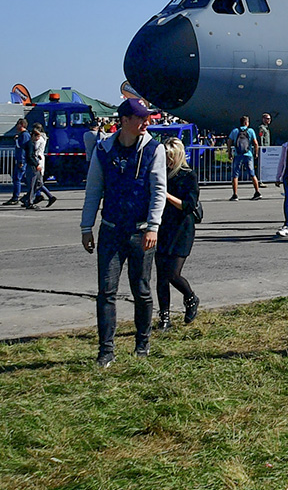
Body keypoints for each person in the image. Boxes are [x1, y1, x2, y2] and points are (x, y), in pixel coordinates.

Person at [80, 98, 167, 367]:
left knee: (141, 290)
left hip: (142, 232)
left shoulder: (154, 149)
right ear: (125, 120)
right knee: (106, 291)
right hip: (111, 231)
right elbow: (94, 190)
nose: (146, 122)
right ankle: (106, 350)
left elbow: (158, 191)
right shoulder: (103, 150)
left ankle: (143, 343)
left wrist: (153, 226)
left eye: (147, 118)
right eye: (140, 118)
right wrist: (86, 226)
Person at [155, 138, 200, 330]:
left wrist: (165, 194)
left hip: (182, 228)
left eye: (170, 156)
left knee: (172, 273)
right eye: (164, 156)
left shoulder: (187, 175)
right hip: (162, 227)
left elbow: (188, 205)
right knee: (161, 277)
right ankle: (164, 318)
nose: (167, 160)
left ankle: (190, 297)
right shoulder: (159, 173)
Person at [22, 122, 57, 208]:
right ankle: (42, 197)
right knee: (38, 182)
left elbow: (33, 152)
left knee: (36, 182)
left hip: (37, 160)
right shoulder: (42, 138)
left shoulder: (37, 140)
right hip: (38, 160)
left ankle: (30, 198)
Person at [228, 115, 261, 201]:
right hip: (248, 154)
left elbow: (229, 142)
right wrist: (256, 153)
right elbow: (255, 143)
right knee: (252, 174)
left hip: (238, 154)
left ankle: (235, 195)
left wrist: (229, 153)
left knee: (235, 175)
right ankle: (257, 192)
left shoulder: (235, 131)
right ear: (246, 123)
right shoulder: (250, 131)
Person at [4, 118, 29, 205]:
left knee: (17, 179)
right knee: (25, 179)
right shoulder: (22, 135)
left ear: (22, 125)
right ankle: (35, 194)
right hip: (21, 159)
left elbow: (22, 149)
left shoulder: (24, 135)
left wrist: (21, 161)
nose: (16, 126)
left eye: (18, 124)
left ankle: (15, 197)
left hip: (21, 160)